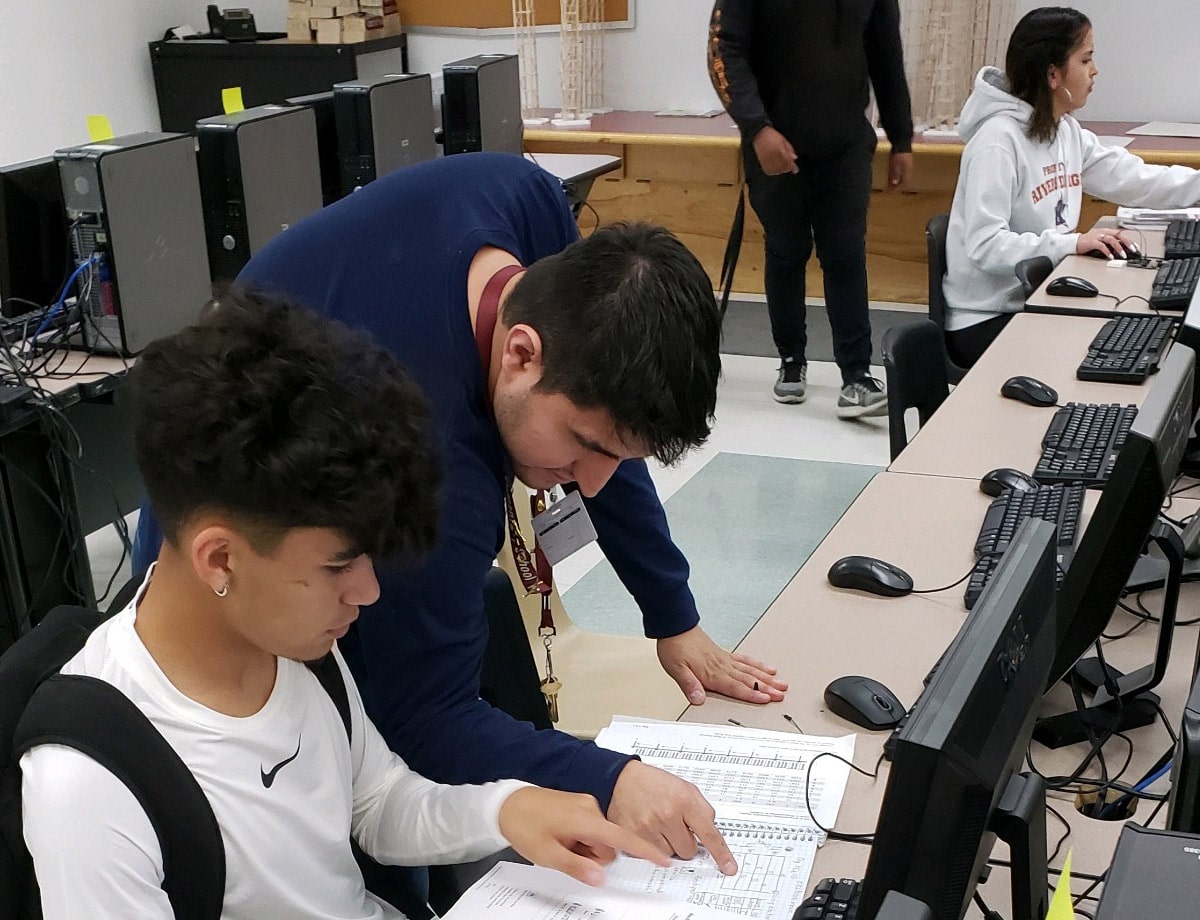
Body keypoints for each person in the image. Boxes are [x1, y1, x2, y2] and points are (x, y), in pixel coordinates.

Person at [132, 152, 784, 869]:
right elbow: (424, 720)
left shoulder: (530, 206)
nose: (590, 486)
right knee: (302, 812)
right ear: (521, 354)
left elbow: (607, 412)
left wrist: (673, 615)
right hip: (233, 543)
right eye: (582, 448)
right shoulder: (433, 467)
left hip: (298, 472)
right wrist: (612, 778)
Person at [21, 291, 672, 919]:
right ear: (220, 561)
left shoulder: (294, 641)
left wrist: (506, 810)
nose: (367, 592)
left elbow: (377, 803)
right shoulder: (88, 784)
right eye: (339, 565)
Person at [943, 6, 1200, 366]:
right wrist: (1072, 243)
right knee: (1127, 352)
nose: (1095, 71)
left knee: (1151, 333)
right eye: (1085, 60)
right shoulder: (997, 142)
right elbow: (985, 246)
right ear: (1052, 74)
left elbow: (1133, 178)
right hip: (986, 318)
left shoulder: (1063, 130)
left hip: (1043, 294)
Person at [708, 0, 914, 417]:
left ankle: (856, 376)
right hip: (775, 144)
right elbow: (724, 52)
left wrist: (902, 137)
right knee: (786, 251)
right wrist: (756, 127)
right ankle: (791, 360)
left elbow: (885, 53)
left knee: (845, 255)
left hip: (846, 146)